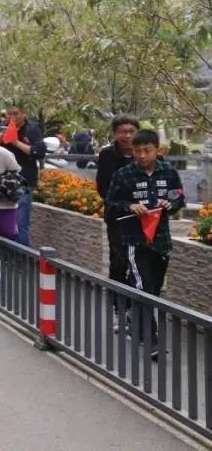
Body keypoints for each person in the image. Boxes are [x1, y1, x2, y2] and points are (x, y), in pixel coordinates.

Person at [105, 129, 184, 357]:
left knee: (155, 288)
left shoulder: (168, 172)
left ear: (157, 150)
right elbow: (110, 205)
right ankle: (152, 341)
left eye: (147, 151)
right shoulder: (123, 175)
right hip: (134, 240)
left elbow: (178, 197)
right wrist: (130, 206)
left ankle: (133, 320)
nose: (141, 155)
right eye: (137, 151)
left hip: (160, 240)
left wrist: (172, 204)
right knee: (143, 287)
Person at [96, 115, 140, 296]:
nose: (128, 136)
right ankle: (118, 306)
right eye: (123, 132)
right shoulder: (107, 155)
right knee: (119, 261)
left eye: (131, 131)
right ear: (115, 134)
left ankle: (139, 305)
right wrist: (126, 204)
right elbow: (103, 188)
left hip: (145, 217)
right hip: (117, 216)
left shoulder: (148, 153)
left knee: (141, 263)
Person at [1, 104, 46, 246]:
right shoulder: (4, 128)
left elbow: (38, 152)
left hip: (24, 180)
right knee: (8, 221)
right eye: (10, 114)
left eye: (16, 114)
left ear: (23, 114)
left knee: (21, 222)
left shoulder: (32, 129)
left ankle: (23, 258)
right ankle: (10, 255)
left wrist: (15, 142)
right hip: (5, 181)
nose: (13, 117)